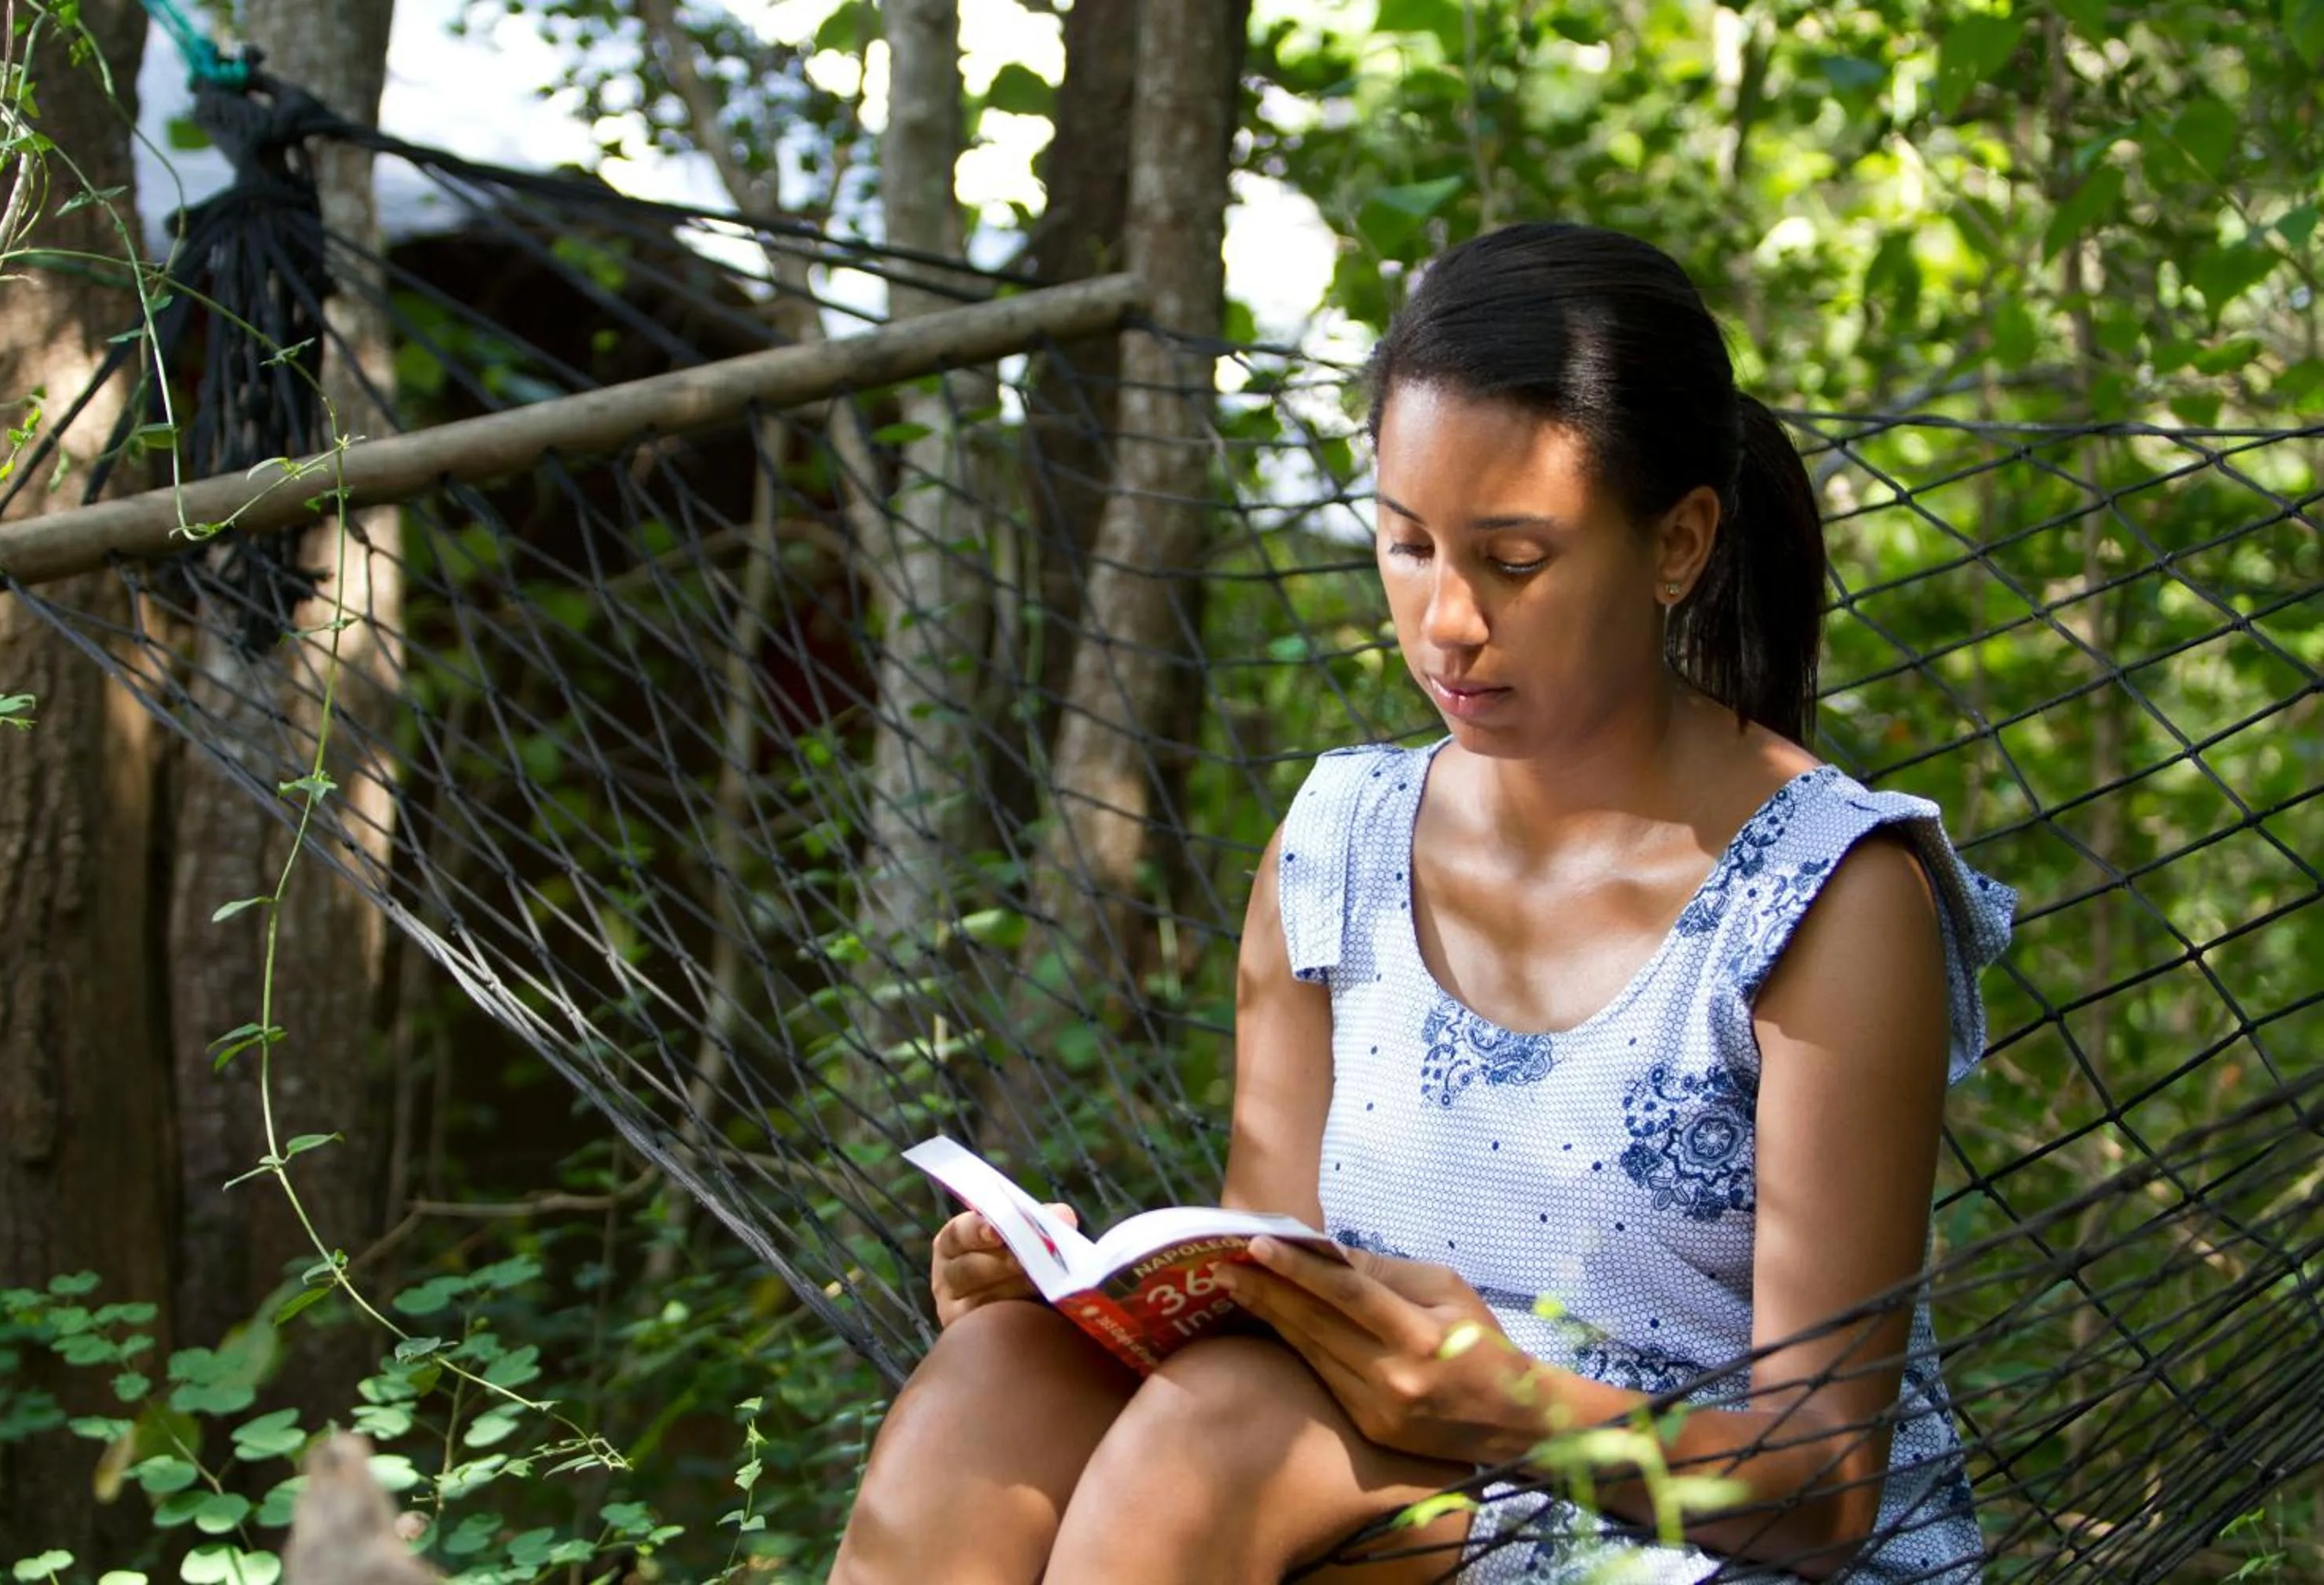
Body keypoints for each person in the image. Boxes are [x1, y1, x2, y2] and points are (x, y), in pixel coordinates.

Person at [828, 221, 2013, 1584]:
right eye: (1406, 545)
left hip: (1688, 1532)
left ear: (1678, 542)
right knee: (997, 1383)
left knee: (1217, 1439)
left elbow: (1824, 1487)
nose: (1448, 620)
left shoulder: (1825, 899)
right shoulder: (1338, 845)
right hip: (1389, 1470)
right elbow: (1273, 1282)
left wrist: (1503, 1407)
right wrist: (1094, 1310)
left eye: (1514, 561)